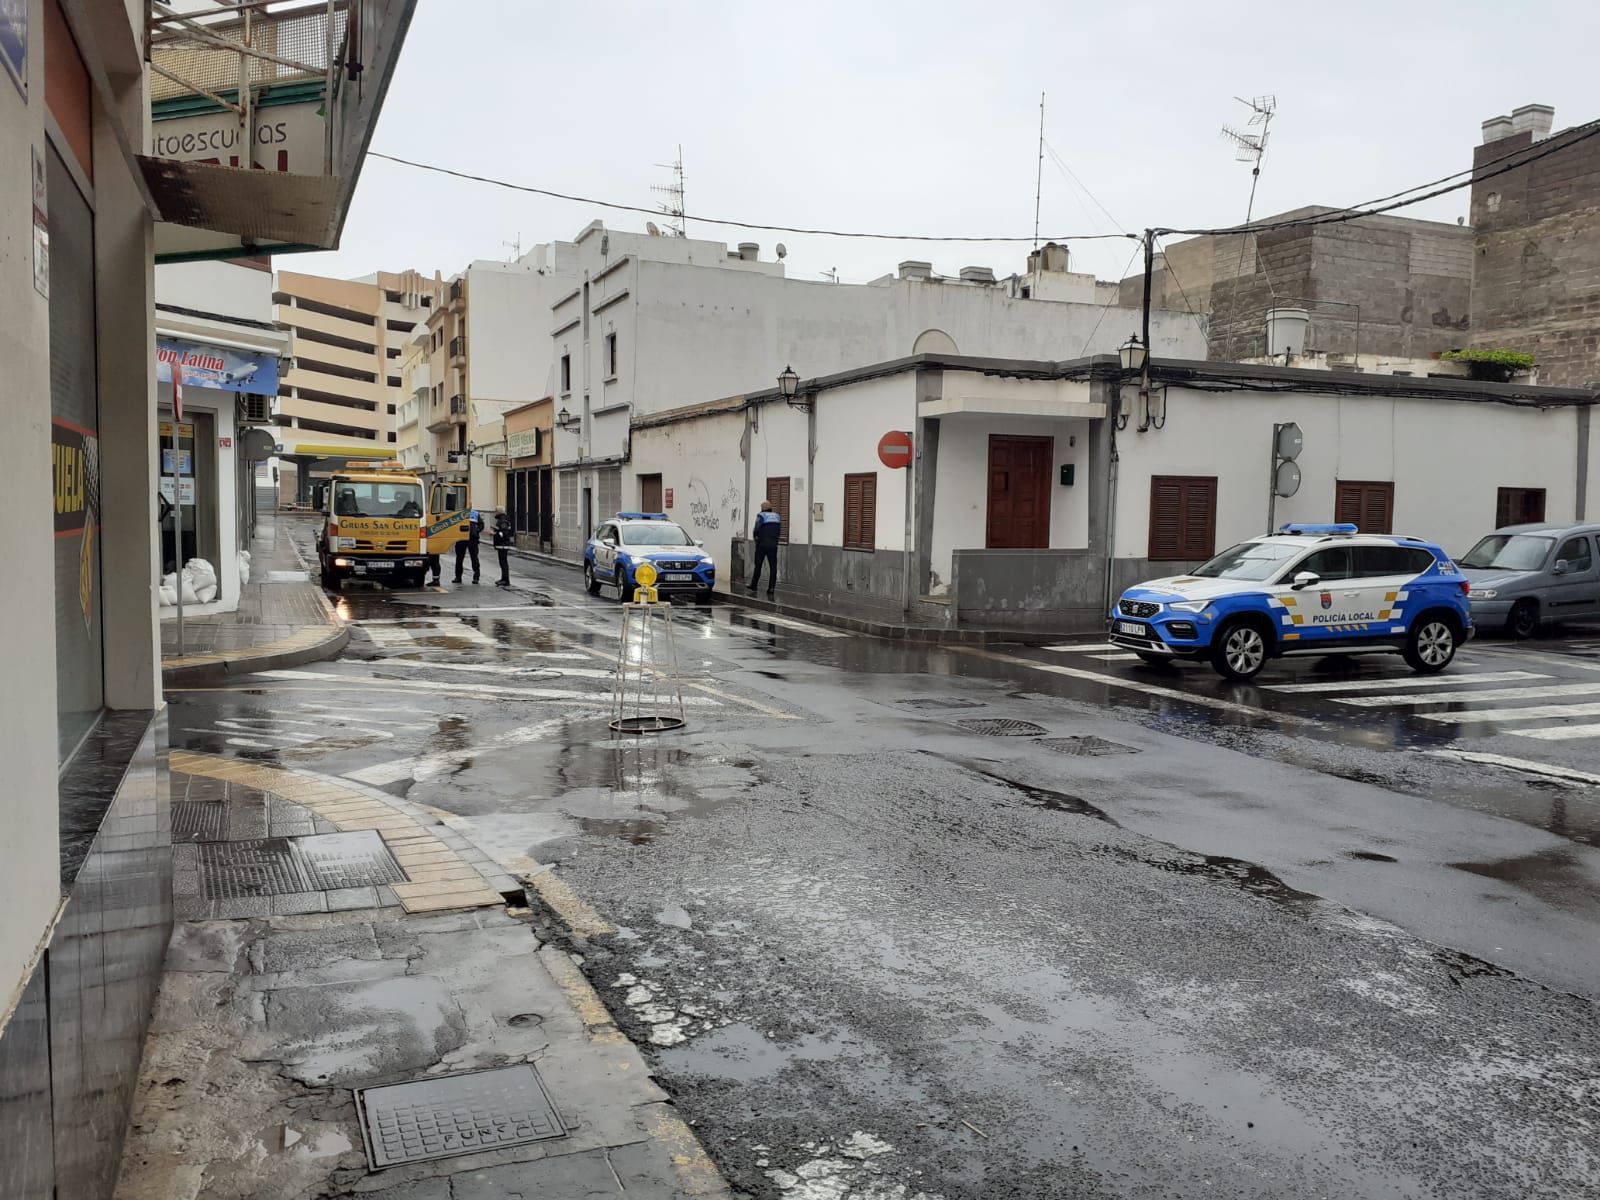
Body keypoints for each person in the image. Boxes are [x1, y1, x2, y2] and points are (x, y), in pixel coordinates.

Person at [748, 499, 781, 598]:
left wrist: (756, 538)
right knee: (773, 567)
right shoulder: (777, 517)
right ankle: (771, 588)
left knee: (758, 565)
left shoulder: (761, 516)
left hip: (762, 544)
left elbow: (757, 528)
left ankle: (754, 585)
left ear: (763, 509)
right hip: (773, 545)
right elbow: (778, 531)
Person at [453, 506, 484, 583]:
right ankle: (458, 577)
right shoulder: (459, 514)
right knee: (459, 558)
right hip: (461, 538)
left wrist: (476, 531)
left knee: (474, 558)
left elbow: (481, 524)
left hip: (472, 538)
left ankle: (476, 577)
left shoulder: (475, 513)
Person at [491, 508, 514, 588]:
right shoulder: (501, 520)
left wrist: (494, 534)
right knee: (502, 562)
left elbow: (504, 533)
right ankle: (503, 579)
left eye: (495, 511)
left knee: (503, 562)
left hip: (503, 545)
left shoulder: (503, 521)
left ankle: (505, 580)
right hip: (501, 545)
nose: (494, 513)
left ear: (499, 512)